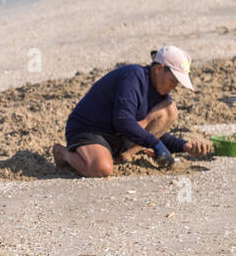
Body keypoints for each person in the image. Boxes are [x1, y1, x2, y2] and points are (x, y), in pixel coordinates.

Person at [52, 45, 211, 178]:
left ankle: (123, 154)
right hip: (89, 130)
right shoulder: (134, 76)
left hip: (118, 136)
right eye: (174, 79)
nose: (175, 85)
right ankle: (64, 153)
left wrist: (184, 146)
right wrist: (155, 144)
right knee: (103, 169)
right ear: (159, 69)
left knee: (169, 109)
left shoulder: (160, 94)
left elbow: (154, 132)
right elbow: (122, 120)